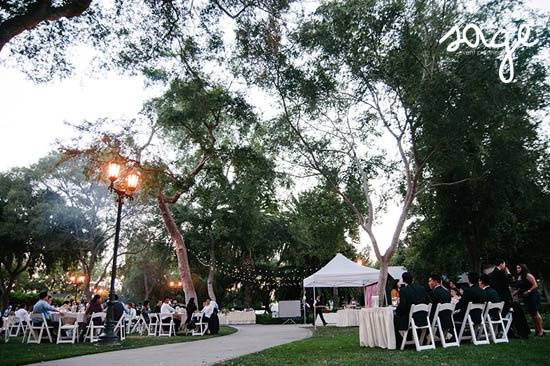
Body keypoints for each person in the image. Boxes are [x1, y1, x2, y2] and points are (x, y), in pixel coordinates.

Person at [394, 272, 429, 342]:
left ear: (403, 280)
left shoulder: (403, 290)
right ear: (412, 279)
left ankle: (400, 341)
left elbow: (402, 306)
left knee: (394, 318)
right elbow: (428, 301)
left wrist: (397, 312)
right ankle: (417, 338)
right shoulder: (422, 288)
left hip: (412, 319)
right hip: (424, 317)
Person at [514, 264, 544, 337]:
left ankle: (541, 331)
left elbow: (535, 285)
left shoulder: (528, 275)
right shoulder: (519, 277)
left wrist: (529, 291)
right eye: (517, 268)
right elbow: (520, 287)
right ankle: (537, 330)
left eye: (519, 268)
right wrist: (515, 293)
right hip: (526, 297)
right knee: (532, 314)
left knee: (535, 313)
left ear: (523, 268)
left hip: (532, 296)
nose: (517, 269)